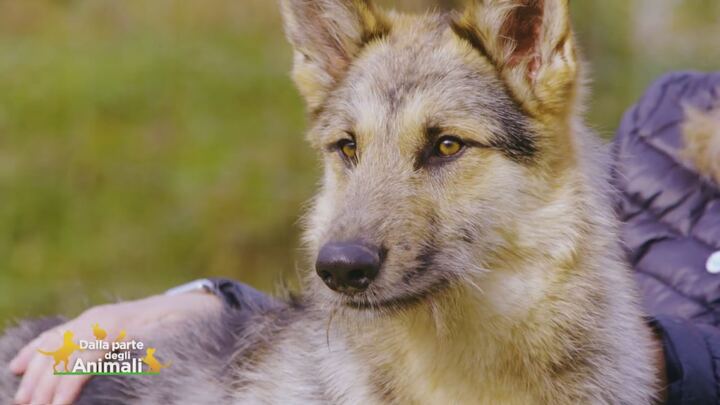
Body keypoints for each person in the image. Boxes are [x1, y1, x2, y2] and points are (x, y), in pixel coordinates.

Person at [9, 71, 720, 405]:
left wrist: (653, 359)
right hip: (392, 357)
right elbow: (508, 252)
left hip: (563, 372)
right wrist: (197, 300)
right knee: (65, 359)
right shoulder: (672, 115)